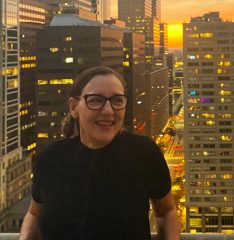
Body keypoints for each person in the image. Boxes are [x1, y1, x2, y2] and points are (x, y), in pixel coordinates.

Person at [20, 66, 180, 240]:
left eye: (117, 101)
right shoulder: (49, 159)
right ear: (74, 107)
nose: (108, 111)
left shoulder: (145, 154)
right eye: (95, 100)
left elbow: (166, 212)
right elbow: (34, 214)